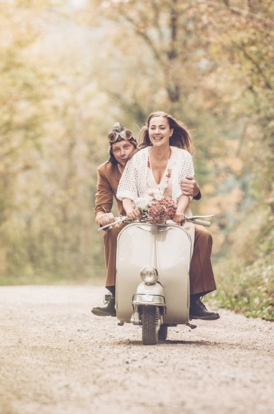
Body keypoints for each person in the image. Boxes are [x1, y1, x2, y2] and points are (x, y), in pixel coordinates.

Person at [92, 121, 219, 320]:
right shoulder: (105, 171)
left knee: (202, 235)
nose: (123, 153)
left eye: (126, 147)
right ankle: (114, 294)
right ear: (111, 152)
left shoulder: (149, 158)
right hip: (132, 222)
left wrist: (193, 191)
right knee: (113, 231)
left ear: (136, 147)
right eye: (116, 149)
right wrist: (103, 217)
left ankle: (195, 298)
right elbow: (101, 207)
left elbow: (183, 180)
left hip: (171, 217)